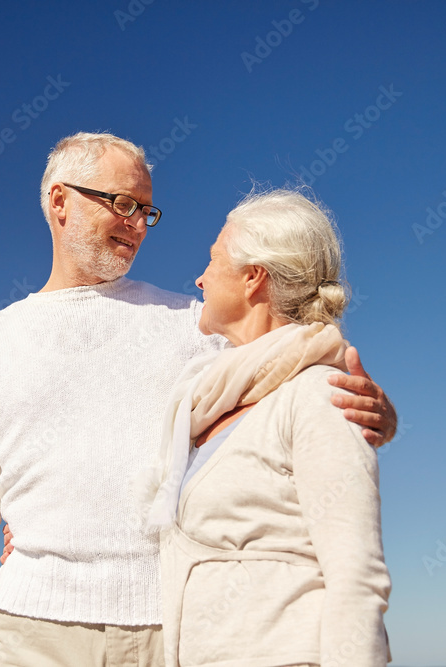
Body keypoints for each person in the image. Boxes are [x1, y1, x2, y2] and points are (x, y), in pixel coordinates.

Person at [0, 132, 396, 667]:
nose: (136, 225)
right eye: (123, 204)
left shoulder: (194, 326)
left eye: (146, 212)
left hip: (169, 629)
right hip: (32, 627)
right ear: (59, 201)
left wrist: (376, 408)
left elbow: (293, 363)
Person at [150, 188, 391, 666]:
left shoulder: (320, 395)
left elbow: (357, 577)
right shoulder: (206, 403)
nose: (199, 279)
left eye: (213, 261)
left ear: (252, 278)